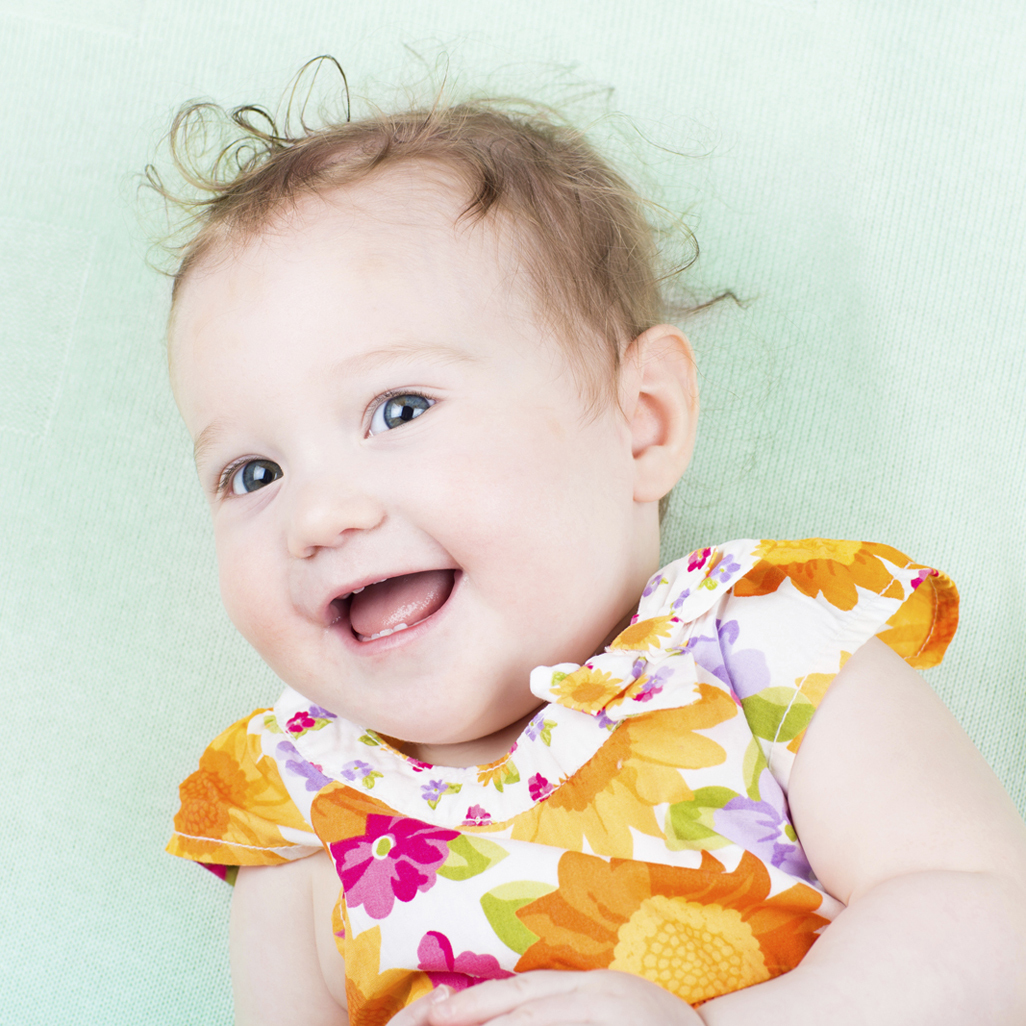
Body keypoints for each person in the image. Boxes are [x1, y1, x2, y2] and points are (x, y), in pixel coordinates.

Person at [160, 82, 1026, 1026]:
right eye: (252, 473)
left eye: (398, 410)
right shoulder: (297, 813)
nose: (317, 515)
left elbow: (987, 915)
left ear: (640, 423)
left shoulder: (766, 660)